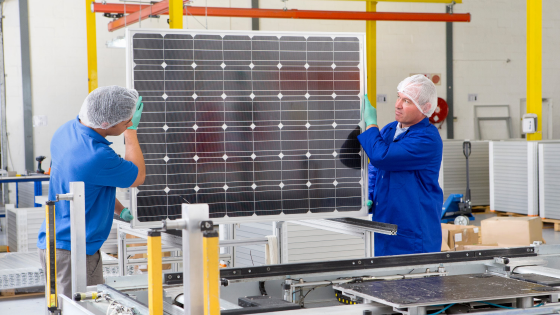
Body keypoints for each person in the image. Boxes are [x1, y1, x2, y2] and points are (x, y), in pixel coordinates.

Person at [37, 85, 145, 298]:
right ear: (105, 123)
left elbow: (89, 183)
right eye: (125, 122)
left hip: (54, 242)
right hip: (74, 251)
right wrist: (131, 133)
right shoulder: (98, 156)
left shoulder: (67, 131)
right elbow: (138, 176)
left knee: (60, 309)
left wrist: (119, 208)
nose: (129, 124)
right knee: (83, 309)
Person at [358, 75, 443, 257]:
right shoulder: (390, 129)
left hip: (412, 232)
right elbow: (375, 167)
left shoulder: (426, 139)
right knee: (383, 282)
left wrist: (371, 124)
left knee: (413, 283)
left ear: (425, 107)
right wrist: (369, 193)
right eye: (398, 97)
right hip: (384, 225)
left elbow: (381, 157)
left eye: (407, 101)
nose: (397, 104)